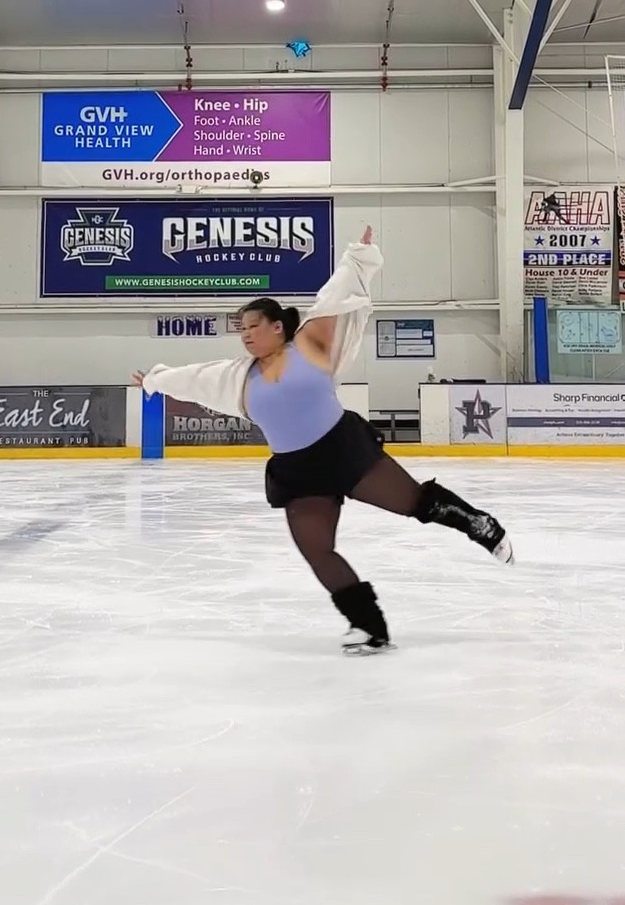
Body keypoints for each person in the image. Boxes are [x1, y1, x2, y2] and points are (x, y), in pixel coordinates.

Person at [133, 228, 513, 655]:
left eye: (254, 326)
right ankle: (370, 627)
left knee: (415, 504)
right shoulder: (238, 378)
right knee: (318, 551)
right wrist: (155, 380)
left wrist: (359, 254)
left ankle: (480, 525)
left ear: (278, 327)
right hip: (298, 473)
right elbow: (194, 379)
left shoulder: (310, 344)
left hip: (343, 450)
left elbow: (336, 296)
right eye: (242, 329)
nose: (245, 334)